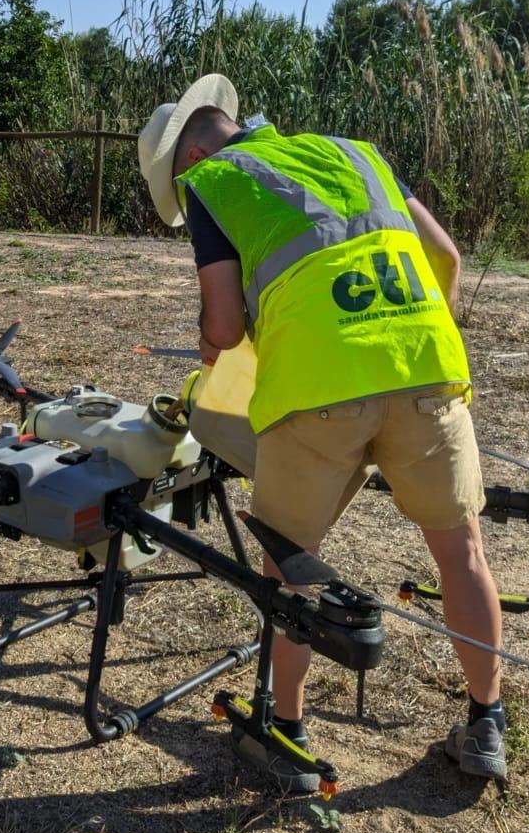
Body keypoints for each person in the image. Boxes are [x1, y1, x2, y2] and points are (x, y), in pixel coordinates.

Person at [137, 73, 508, 786]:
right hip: (426, 370)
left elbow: (224, 326)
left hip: (317, 391)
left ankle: (286, 732)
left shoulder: (213, 181)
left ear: (188, 159)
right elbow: (446, 258)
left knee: (290, 569)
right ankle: (486, 723)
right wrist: (406, 338)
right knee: (462, 556)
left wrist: (213, 347)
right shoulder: (356, 151)